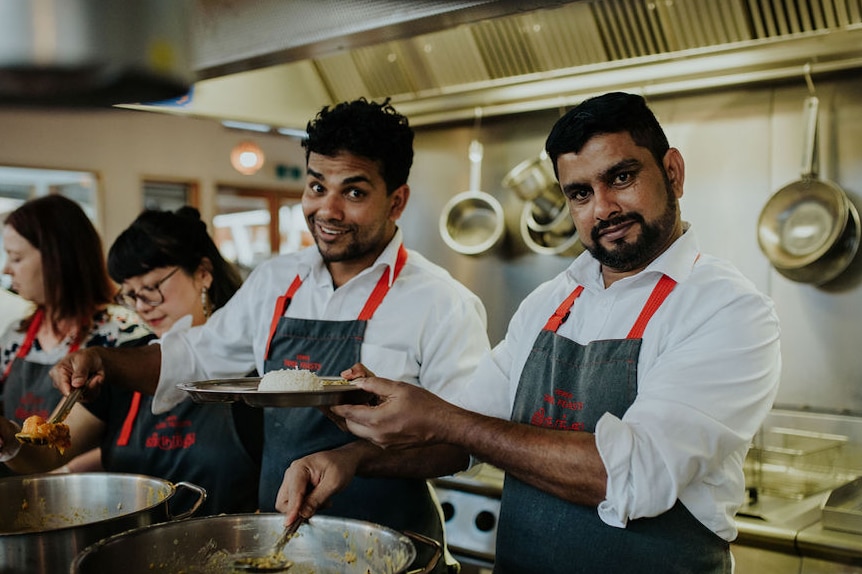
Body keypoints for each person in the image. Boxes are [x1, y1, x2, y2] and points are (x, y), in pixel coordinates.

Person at [311, 92, 782, 573]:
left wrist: (442, 418)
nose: (603, 208)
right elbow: (461, 437)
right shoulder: (550, 302)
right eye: (580, 193)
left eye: (621, 177)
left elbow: (636, 475)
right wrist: (350, 460)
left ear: (673, 172)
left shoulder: (728, 308)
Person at [49, 98, 490, 572]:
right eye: (317, 186)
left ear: (396, 200)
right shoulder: (277, 282)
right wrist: (104, 362)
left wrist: (356, 458)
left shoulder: (442, 302)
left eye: (354, 193)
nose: (328, 209)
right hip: (283, 543)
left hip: (396, 547)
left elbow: (465, 442)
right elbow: (195, 357)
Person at [1, 206, 261, 516]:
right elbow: (44, 456)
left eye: (151, 288)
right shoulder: (121, 360)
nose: (142, 306)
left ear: (203, 273)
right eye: (130, 295)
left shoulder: (255, 362)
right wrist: (8, 439)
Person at [0, 195, 151, 464]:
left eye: (16, 257)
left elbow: (127, 437)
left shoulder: (122, 334)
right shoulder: (16, 335)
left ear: (56, 258)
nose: (6, 269)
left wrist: (64, 475)